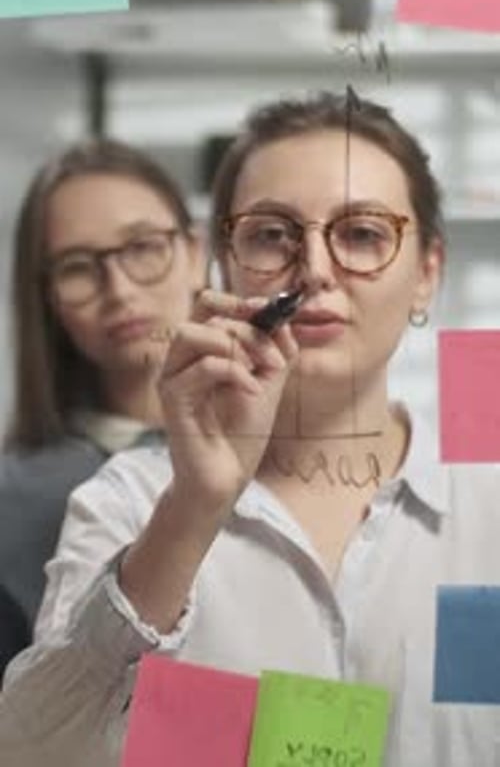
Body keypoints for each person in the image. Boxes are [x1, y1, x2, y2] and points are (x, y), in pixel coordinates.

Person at [1, 91, 499, 767]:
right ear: (224, 262)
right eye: (272, 235)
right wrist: (192, 509)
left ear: (427, 274)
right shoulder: (131, 501)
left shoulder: (488, 507)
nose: (317, 270)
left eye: (362, 233)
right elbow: (33, 750)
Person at [0, 139, 205, 673]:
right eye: (77, 267)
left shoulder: (287, 454)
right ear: (44, 297)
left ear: (196, 254)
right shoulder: (16, 499)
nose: (119, 288)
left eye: (143, 247)